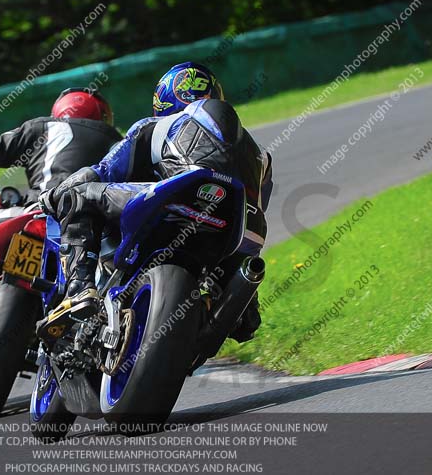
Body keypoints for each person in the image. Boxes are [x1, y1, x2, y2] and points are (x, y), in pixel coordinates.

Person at [37, 62, 272, 343]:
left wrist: (55, 194)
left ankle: (80, 289)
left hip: (176, 198)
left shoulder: (155, 125)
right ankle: (243, 308)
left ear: (164, 99)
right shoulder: (259, 153)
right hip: (238, 229)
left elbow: (101, 171)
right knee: (244, 306)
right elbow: (260, 202)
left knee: (81, 195)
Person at [0, 88, 122, 335]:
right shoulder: (119, 142)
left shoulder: (45, 127)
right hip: (95, 236)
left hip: (41, 212)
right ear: (101, 116)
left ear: (60, 111)